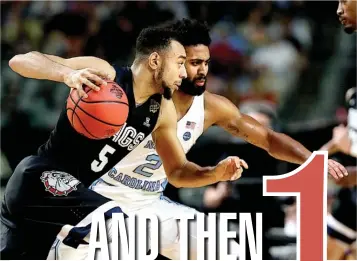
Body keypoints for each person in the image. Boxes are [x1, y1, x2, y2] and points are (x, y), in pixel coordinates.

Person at [49, 18, 349, 260]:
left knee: (228, 249)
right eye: (193, 63)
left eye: (206, 62)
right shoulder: (129, 94)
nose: (202, 69)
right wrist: (67, 75)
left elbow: (269, 139)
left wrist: (312, 160)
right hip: (99, 203)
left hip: (150, 204)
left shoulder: (211, 107)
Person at [1, 24, 246, 260]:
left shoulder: (161, 111)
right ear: (154, 61)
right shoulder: (106, 75)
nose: (184, 74)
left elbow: (178, 171)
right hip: (39, 181)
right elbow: (20, 61)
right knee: (124, 232)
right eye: (180, 64)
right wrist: (68, 74)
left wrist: (214, 173)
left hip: (73, 199)